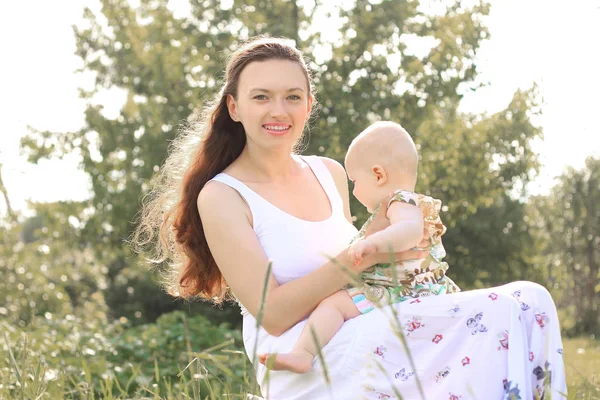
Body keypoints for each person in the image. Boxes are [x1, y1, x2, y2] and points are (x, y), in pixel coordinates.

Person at [132, 36, 567, 400]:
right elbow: (275, 314)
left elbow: (374, 254)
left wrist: (403, 243)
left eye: (292, 97)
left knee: (530, 298)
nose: (278, 110)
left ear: (308, 105)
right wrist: (362, 256)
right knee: (494, 312)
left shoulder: (330, 173)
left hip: (365, 319)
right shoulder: (223, 196)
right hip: (306, 355)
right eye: (261, 97)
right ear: (234, 107)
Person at [259, 121, 461, 374]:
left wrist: (373, 243)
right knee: (336, 304)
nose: (353, 190)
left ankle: (303, 353)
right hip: (404, 289)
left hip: (404, 290)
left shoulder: (401, 201)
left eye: (354, 181)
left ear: (378, 175)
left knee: (335, 305)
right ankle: (301, 354)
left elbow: (410, 232)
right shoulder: (400, 205)